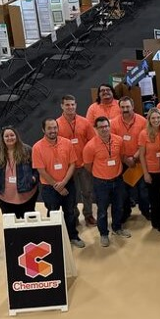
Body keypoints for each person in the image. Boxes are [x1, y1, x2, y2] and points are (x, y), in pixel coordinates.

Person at [32, 118, 85, 248]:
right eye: (49, 128)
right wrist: (57, 186)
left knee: (70, 212)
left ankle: (73, 236)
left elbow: (72, 164)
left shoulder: (67, 143)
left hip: (68, 184)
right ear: (43, 130)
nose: (53, 131)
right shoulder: (37, 147)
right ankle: (55, 239)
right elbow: (41, 170)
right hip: (49, 188)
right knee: (53, 212)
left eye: (55, 127)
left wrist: (64, 182)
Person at [83, 116, 131, 247]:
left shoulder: (119, 140)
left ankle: (117, 228)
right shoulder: (90, 146)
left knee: (118, 206)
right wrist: (101, 172)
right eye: (101, 127)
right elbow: (88, 166)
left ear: (109, 127)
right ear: (96, 129)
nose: (104, 129)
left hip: (118, 180)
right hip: (101, 183)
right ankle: (103, 234)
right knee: (102, 210)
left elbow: (121, 156)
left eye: (106, 126)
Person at [58, 95, 97, 226]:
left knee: (87, 191)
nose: (70, 107)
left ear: (76, 105)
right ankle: (74, 215)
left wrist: (90, 161)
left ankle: (88, 214)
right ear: (62, 106)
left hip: (84, 164)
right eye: (67, 105)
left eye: (72, 104)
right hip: (68, 167)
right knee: (71, 194)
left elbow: (92, 142)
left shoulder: (85, 122)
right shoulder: (57, 124)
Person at [110, 96, 149, 222]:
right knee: (123, 191)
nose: (125, 109)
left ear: (133, 106)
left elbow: (145, 143)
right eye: (122, 107)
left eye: (127, 106)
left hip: (139, 161)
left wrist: (134, 157)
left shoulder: (143, 121)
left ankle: (146, 211)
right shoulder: (114, 123)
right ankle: (126, 213)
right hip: (122, 162)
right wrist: (126, 159)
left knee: (143, 190)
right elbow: (113, 144)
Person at [0, 126, 39, 219]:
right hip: (5, 198)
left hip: (27, 195)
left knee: (29, 223)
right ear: (2, 139)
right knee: (10, 224)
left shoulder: (27, 150)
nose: (9, 138)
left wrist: (34, 178)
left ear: (16, 136)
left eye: (12, 135)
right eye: (6, 136)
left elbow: (37, 167)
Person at [138, 108, 160, 233]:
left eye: (158, 117)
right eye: (153, 118)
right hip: (152, 172)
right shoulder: (143, 134)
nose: (156, 120)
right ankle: (158, 222)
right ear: (149, 120)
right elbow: (141, 155)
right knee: (154, 200)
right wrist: (145, 173)